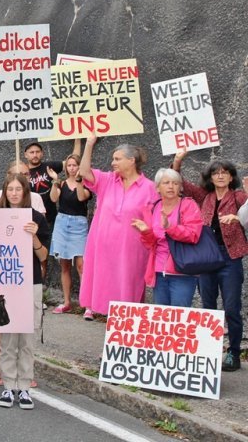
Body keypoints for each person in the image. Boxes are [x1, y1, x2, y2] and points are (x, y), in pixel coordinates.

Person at [173, 150, 248, 371]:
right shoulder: (203, 197)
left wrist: (237, 217)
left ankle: (233, 352)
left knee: (232, 308)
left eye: (225, 173)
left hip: (230, 258)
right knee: (207, 309)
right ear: (210, 177)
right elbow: (180, 183)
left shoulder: (238, 197)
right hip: (206, 259)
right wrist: (178, 160)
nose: (221, 176)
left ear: (231, 177)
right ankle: (208, 352)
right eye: (216, 173)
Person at [78, 136, 158, 320]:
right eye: (113, 159)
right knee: (107, 293)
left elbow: (155, 219)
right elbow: (84, 171)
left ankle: (127, 341)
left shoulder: (149, 188)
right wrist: (89, 143)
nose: (113, 163)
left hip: (131, 251)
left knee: (128, 295)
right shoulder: (107, 180)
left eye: (117, 159)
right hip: (104, 250)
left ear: (131, 160)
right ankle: (114, 343)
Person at [0, 174, 50, 410]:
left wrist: (33, 236)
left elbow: (44, 256)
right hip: (6, 282)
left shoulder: (37, 218)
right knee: (7, 338)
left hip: (31, 282)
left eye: (19, 189)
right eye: (11, 189)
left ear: (25, 192)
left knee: (27, 338)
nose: (14, 193)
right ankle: (9, 385)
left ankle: (25, 387)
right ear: (5, 192)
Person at [131, 169, 203, 308]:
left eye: (175, 183)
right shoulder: (152, 208)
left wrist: (170, 227)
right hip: (158, 270)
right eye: (166, 183)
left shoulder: (188, 205)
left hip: (182, 270)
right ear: (158, 187)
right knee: (162, 315)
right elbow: (150, 244)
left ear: (180, 187)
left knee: (179, 315)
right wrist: (146, 232)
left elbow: (193, 234)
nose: (171, 186)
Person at [48, 153, 90, 314]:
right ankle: (66, 302)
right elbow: (53, 199)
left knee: (81, 266)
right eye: (70, 165)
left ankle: (87, 305)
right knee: (64, 265)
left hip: (79, 225)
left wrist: (79, 181)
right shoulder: (62, 183)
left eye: (75, 165)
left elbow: (81, 198)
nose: (72, 168)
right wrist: (54, 181)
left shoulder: (86, 184)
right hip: (62, 223)